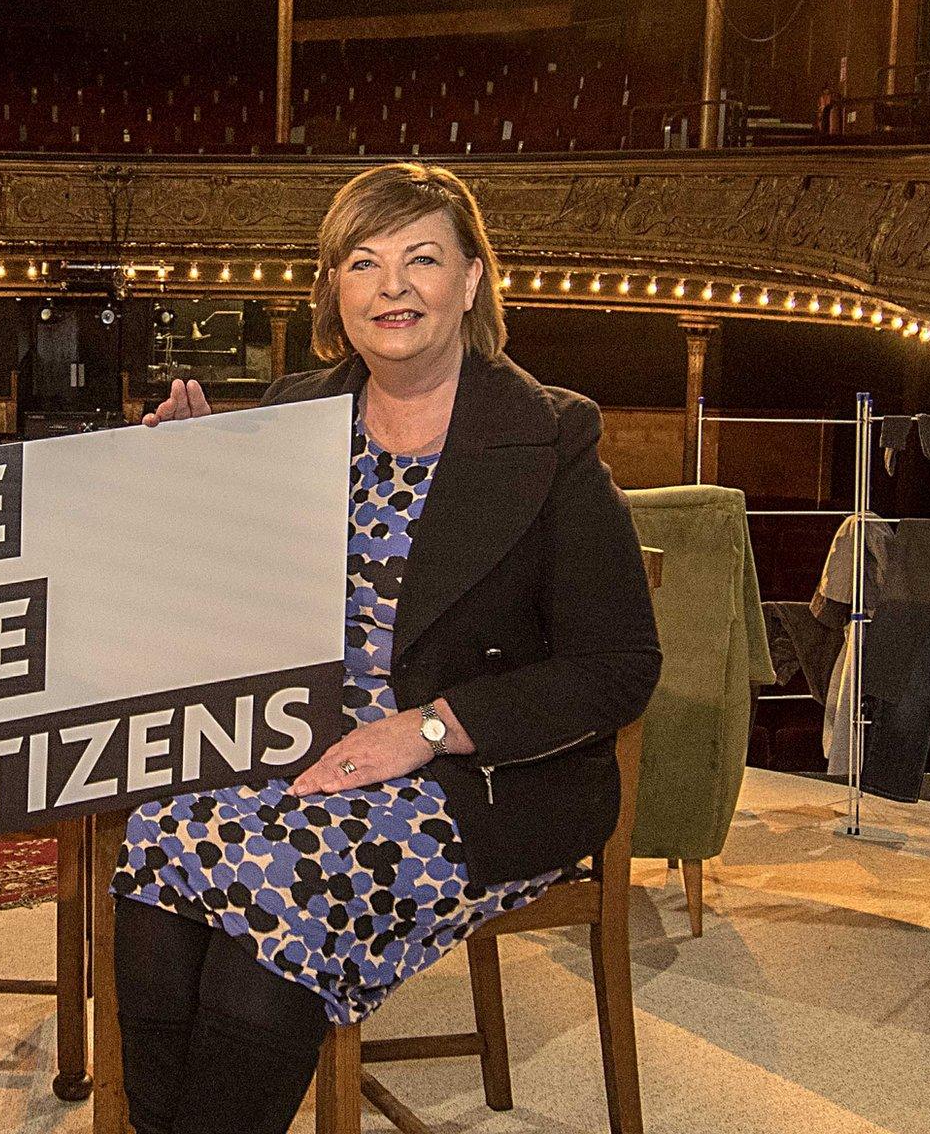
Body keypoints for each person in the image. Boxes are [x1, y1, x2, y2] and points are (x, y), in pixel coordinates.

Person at [117, 162, 661, 1134]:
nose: (391, 286)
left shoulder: (549, 433)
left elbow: (616, 666)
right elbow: (222, 604)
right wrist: (194, 480)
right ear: (334, 290)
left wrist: (430, 728)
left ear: (471, 282)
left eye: (420, 258)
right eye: (361, 262)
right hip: (306, 744)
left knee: (273, 882)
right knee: (161, 829)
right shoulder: (293, 411)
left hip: (475, 773)